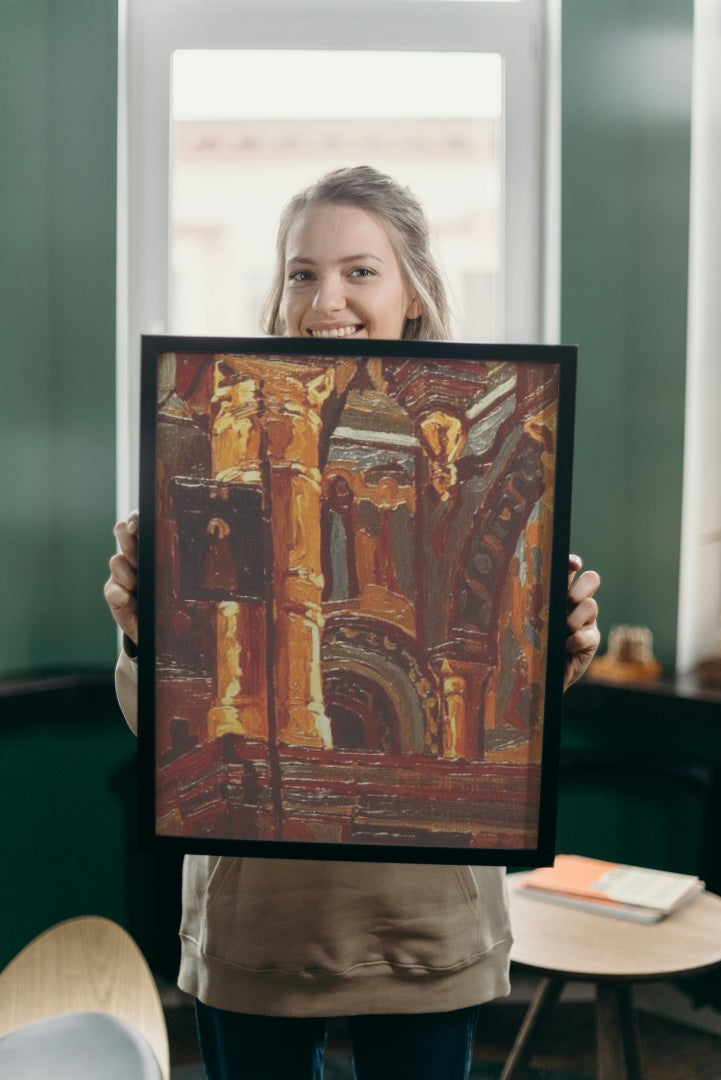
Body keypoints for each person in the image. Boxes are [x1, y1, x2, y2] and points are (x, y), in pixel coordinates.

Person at [105, 166, 601, 1080]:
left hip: (424, 924)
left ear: (412, 291)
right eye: (301, 272)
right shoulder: (205, 432)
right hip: (257, 924)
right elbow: (158, 729)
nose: (324, 298)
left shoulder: (495, 425)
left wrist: (558, 646)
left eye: (359, 271)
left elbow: (506, 707)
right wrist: (144, 633)